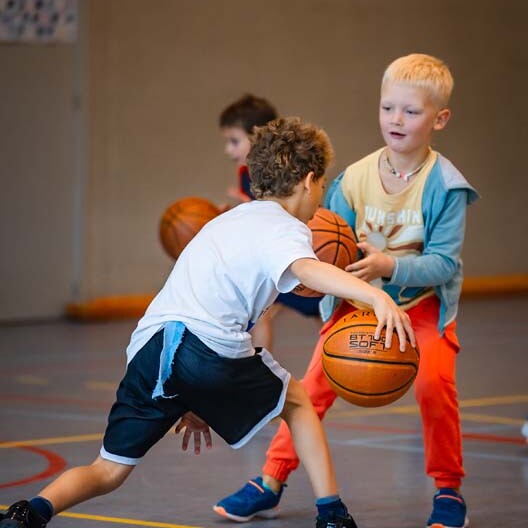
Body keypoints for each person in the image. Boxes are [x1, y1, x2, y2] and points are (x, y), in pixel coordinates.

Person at [0, 117, 415, 528]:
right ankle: (332, 515)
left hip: (150, 348)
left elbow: (199, 306)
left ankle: (29, 512)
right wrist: (375, 296)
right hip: (206, 345)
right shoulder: (285, 227)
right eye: (322, 185)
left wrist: (192, 395)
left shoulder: (226, 221)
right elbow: (307, 270)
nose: (321, 198)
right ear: (308, 181)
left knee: (107, 470)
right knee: (298, 403)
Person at [214, 54, 479, 528]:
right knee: (305, 392)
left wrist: (387, 265)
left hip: (421, 308)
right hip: (356, 306)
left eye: (411, 111)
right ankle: (270, 481)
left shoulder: (446, 187)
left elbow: (444, 263)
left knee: (434, 387)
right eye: (387, 108)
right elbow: (323, 239)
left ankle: (448, 489)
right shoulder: (354, 179)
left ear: (439, 119)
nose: (396, 119)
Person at [219, 94, 323, 351]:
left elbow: (279, 214)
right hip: (272, 258)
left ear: (258, 137)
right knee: (260, 313)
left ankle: (335, 358)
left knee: (323, 314)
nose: (228, 150)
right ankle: (259, 364)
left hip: (298, 252)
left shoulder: (284, 172)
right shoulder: (246, 173)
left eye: (234, 141)